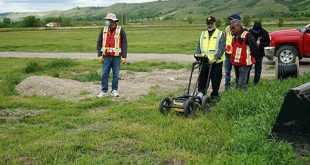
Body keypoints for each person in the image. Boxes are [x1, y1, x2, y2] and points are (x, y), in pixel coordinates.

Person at [96, 13, 127, 97]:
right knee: (104, 74)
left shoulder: (121, 30)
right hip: (106, 57)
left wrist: (124, 56)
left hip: (117, 57)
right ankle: (104, 91)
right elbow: (99, 43)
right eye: (106, 20)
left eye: (108, 20)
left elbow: (124, 44)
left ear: (113, 21)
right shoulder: (103, 30)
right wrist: (99, 55)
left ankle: (114, 90)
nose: (107, 22)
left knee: (116, 75)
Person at [195, 16, 226, 99]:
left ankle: (214, 97)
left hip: (215, 63)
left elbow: (221, 48)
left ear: (214, 23)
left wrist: (216, 58)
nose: (209, 25)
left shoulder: (220, 34)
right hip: (204, 61)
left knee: (216, 81)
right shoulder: (203, 34)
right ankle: (201, 95)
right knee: (202, 80)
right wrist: (197, 55)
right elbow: (199, 46)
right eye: (208, 23)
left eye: (211, 23)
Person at [230, 19, 258, 89]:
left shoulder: (247, 35)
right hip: (236, 63)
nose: (231, 29)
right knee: (237, 82)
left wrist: (253, 59)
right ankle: (237, 98)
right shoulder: (234, 37)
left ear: (239, 26)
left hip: (245, 64)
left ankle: (243, 98)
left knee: (242, 84)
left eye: (233, 27)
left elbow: (254, 48)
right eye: (231, 28)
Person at [224, 14, 241, 89]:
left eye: (232, 19)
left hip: (236, 54)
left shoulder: (241, 29)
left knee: (238, 72)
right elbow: (225, 38)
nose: (230, 21)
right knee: (227, 72)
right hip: (227, 54)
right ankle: (227, 87)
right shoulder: (227, 28)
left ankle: (237, 86)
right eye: (230, 20)